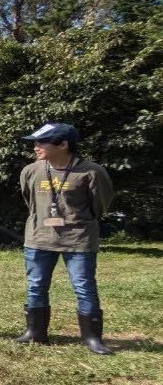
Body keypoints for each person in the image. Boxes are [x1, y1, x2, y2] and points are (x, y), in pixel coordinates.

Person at [15, 123, 114, 355]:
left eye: (41, 142)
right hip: (39, 239)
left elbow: (100, 206)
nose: (36, 147)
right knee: (36, 286)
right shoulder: (31, 171)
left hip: (78, 240)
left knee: (84, 287)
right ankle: (35, 332)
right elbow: (30, 201)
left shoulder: (91, 172)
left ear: (63, 144)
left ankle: (92, 337)